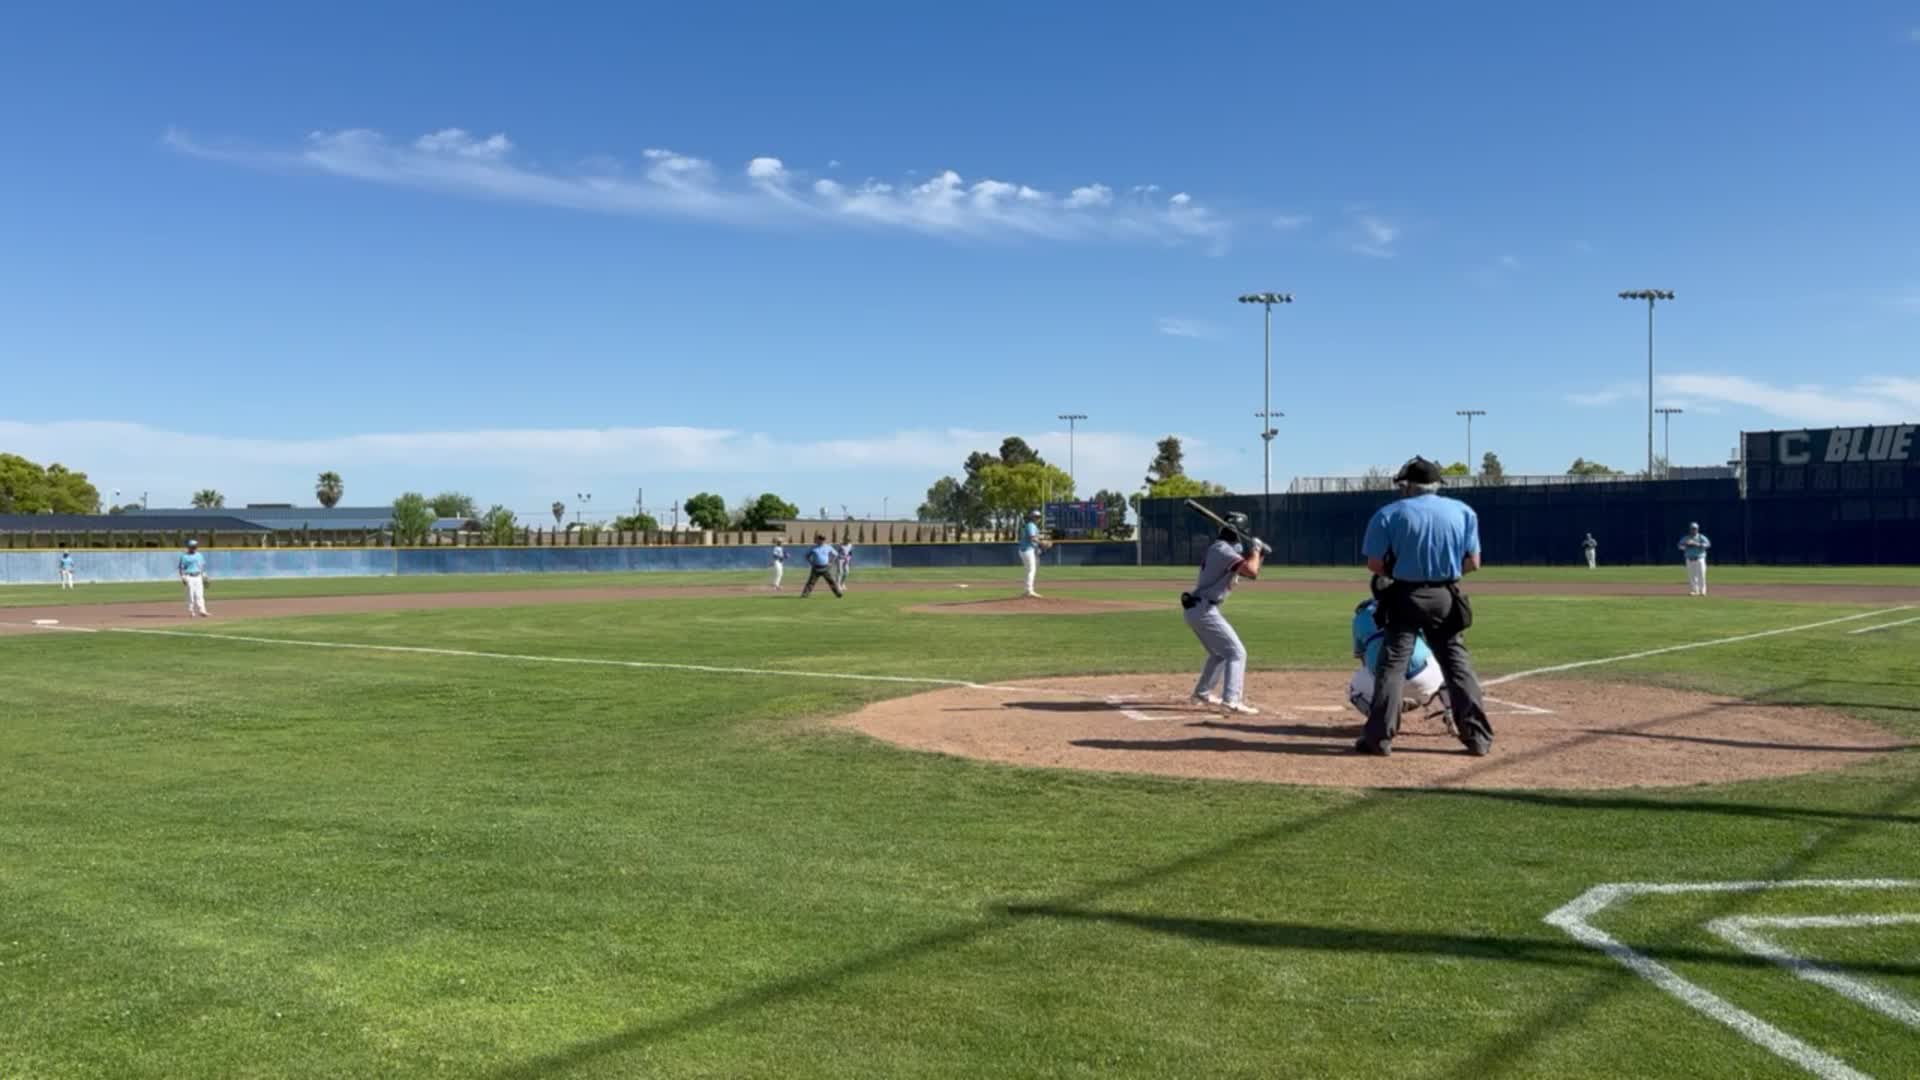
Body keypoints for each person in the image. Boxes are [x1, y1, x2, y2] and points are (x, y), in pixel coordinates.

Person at [1356, 456, 1494, 757]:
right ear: (1436, 485)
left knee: (1392, 666)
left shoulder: (1388, 514)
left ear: (1406, 486)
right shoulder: (1463, 511)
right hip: (1446, 594)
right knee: (1457, 666)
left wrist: (1402, 570)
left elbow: (1375, 564)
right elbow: (1474, 562)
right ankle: (1477, 737)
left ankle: (1379, 738)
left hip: (1405, 594)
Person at [1182, 511, 1266, 716]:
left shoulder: (1221, 549)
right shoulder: (1222, 550)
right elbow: (1251, 571)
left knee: (1219, 654)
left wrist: (1260, 553)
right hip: (1204, 609)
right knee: (1236, 653)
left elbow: (1251, 571)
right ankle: (1231, 700)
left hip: (1199, 608)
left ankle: (1202, 693)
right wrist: (1255, 549)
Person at [1347, 595, 1450, 732]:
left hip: (1384, 681)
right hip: (1424, 679)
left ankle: (1382, 720)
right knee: (1447, 668)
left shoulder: (1360, 618)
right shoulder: (1410, 607)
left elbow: (1363, 659)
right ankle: (1451, 711)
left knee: (1354, 690)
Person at [800, 534, 844, 599]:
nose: (822, 540)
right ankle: (805, 594)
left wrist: (831, 562)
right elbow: (807, 556)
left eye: (823, 539)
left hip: (825, 567)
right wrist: (811, 563)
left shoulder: (828, 547)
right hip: (816, 568)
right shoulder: (813, 548)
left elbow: (835, 554)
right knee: (811, 582)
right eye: (820, 539)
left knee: (831, 581)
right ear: (817, 540)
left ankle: (838, 594)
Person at [1017, 509, 1047, 598]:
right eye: (1036, 517)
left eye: (1038, 517)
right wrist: (1042, 543)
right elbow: (1032, 538)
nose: (1037, 518)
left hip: (1025, 550)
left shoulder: (1031, 525)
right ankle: (1029, 591)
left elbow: (1033, 539)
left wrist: (1038, 546)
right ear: (1032, 517)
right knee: (1031, 570)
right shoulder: (1031, 525)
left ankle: (1027, 590)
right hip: (1027, 550)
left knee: (1028, 570)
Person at [178, 538, 210, 617]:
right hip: (189, 577)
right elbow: (181, 568)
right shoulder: (184, 556)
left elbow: (201, 566)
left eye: (195, 546)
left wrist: (204, 575)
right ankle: (191, 611)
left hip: (198, 576)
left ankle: (202, 611)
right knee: (190, 595)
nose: (194, 548)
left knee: (200, 595)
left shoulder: (199, 555)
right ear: (189, 546)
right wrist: (182, 577)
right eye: (192, 546)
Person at [1679, 522, 1712, 596]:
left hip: (1699, 559)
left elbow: (1708, 544)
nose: (1693, 530)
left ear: (1697, 529)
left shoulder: (1701, 537)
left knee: (1701, 575)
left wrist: (1698, 544)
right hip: (1689, 559)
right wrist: (1686, 545)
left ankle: (1702, 591)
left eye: (1695, 529)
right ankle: (1694, 591)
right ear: (1690, 529)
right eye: (1692, 529)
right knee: (1692, 576)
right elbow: (1680, 546)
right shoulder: (1686, 538)